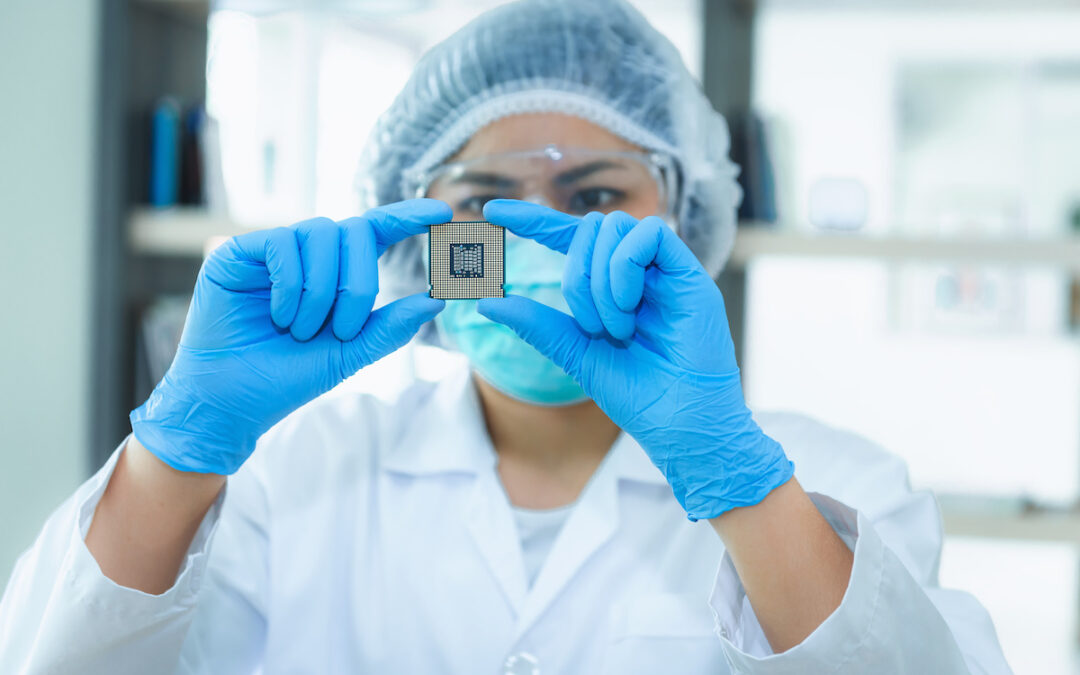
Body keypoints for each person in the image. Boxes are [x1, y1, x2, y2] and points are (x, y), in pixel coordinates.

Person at [0, 1, 1011, 673]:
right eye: (483, 198)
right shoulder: (298, 474)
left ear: (684, 216)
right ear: (419, 226)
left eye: (594, 196)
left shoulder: (835, 482)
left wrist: (735, 481)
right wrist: (178, 448)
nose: (534, 235)